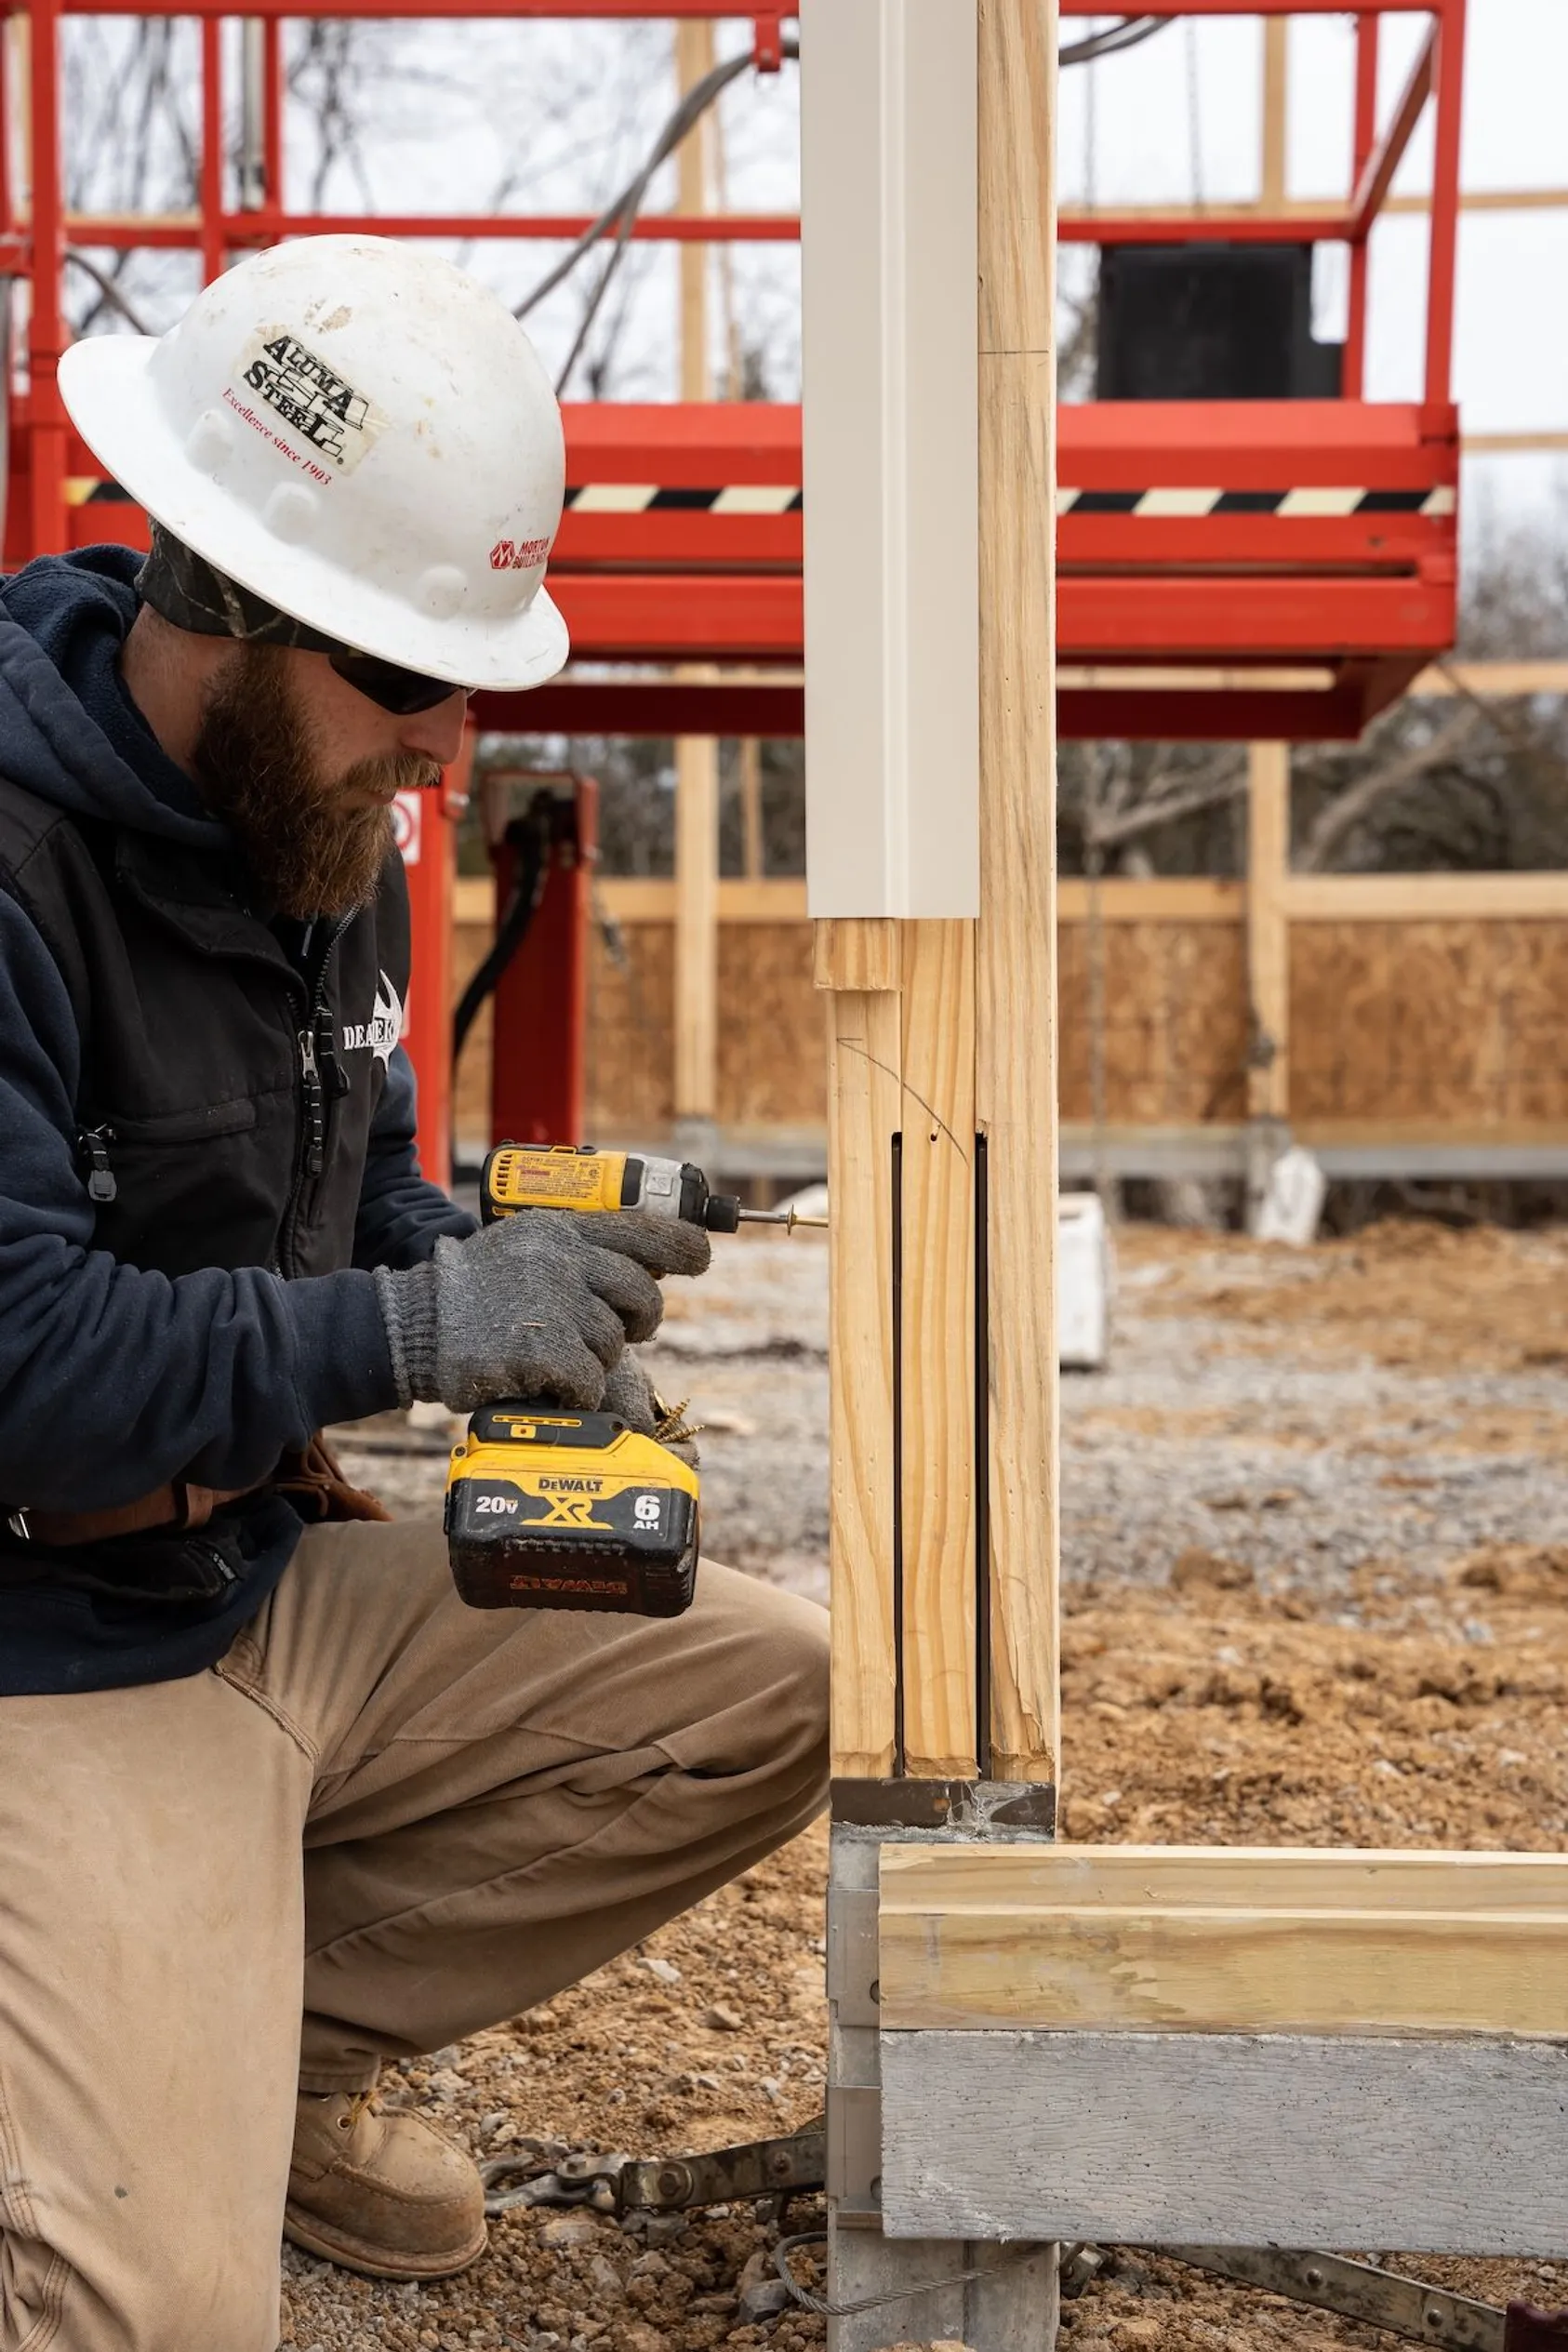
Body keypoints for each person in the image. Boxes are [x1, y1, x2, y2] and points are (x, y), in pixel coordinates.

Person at [0, 234, 829, 2352]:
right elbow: (20, 1366)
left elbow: (362, 1186)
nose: (446, 739)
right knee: (155, 2322)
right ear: (218, 607)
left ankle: (262, 2048)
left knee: (772, 1687)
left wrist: (494, 1266)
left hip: (260, 1579)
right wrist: (424, 1334)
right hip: (46, 1648)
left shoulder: (322, 838)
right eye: (398, 676)